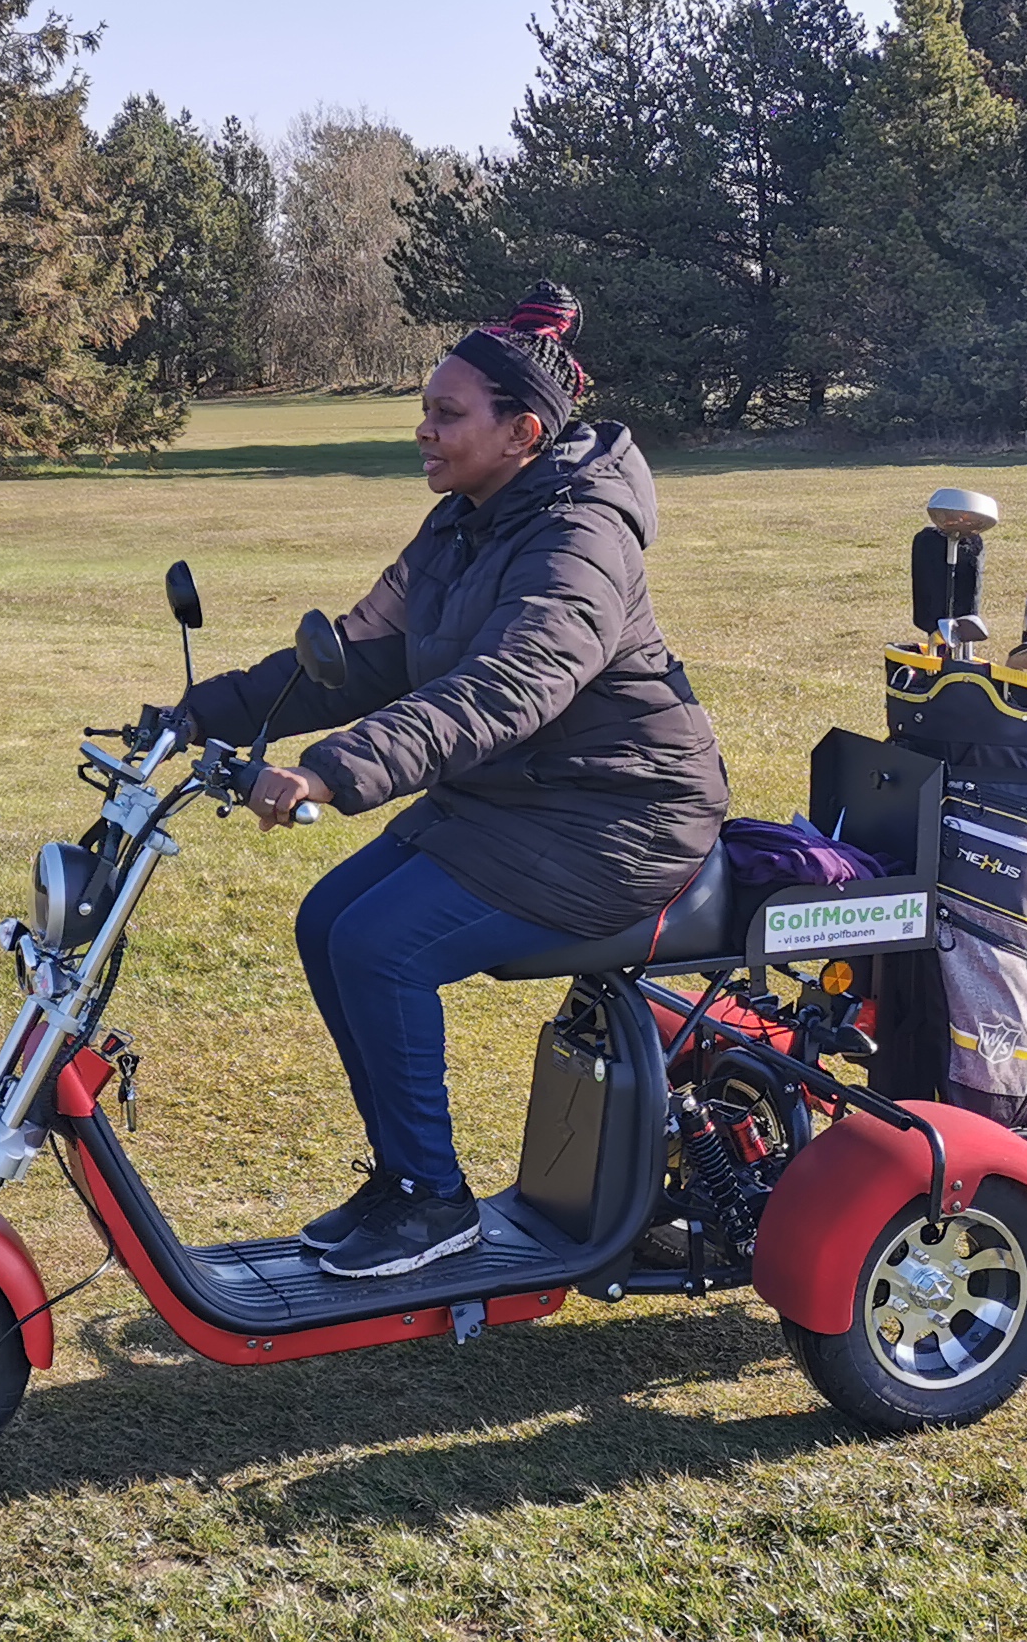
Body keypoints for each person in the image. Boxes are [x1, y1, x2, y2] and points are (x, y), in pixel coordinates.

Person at [175, 283, 729, 1279]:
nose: (423, 431)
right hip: (522, 796)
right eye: (424, 410)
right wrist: (197, 713)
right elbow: (360, 655)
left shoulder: (581, 537)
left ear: (522, 432)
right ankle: (404, 1179)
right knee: (327, 921)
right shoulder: (465, 522)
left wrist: (332, 772)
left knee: (381, 946)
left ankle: (433, 1203)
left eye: (446, 413)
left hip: (620, 816)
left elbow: (513, 684)